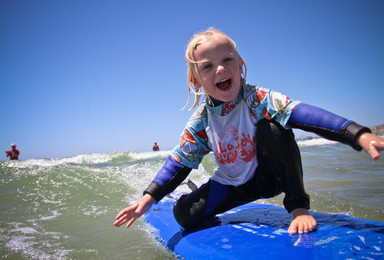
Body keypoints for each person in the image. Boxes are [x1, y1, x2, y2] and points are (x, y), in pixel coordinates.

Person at [114, 28, 384, 235]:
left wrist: (357, 133)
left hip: (269, 176)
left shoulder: (258, 99)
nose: (220, 68)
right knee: (184, 216)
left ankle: (298, 205)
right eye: (207, 66)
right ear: (196, 80)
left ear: (240, 65)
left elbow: (303, 114)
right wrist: (149, 196)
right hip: (232, 186)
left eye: (227, 60)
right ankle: (187, 195)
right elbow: (179, 161)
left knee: (275, 127)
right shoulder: (201, 122)